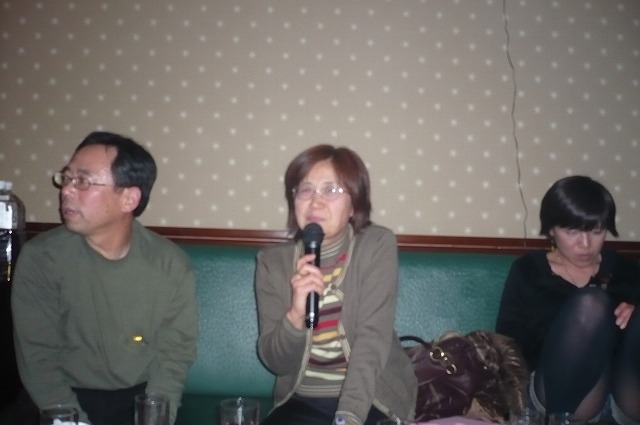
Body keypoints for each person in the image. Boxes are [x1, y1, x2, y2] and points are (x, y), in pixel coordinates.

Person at [11, 132, 198, 425]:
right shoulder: (42, 258)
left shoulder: (170, 264)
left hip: (139, 399)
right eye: (66, 178)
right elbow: (39, 360)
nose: (66, 190)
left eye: (83, 181)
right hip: (57, 400)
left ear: (129, 198)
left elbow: (173, 357)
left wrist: (155, 417)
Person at [255, 144, 417, 425]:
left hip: (371, 399)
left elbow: (371, 342)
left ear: (354, 205)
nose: (315, 202)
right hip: (301, 401)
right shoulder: (272, 264)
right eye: (305, 190)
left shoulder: (376, 246)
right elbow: (276, 362)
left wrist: (347, 418)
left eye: (331, 190)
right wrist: (295, 315)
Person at [495, 176, 640, 424]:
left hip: (624, 396)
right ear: (551, 229)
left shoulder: (628, 270)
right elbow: (508, 343)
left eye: (596, 231)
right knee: (591, 305)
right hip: (554, 393)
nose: (585, 244)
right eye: (572, 231)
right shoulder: (529, 271)